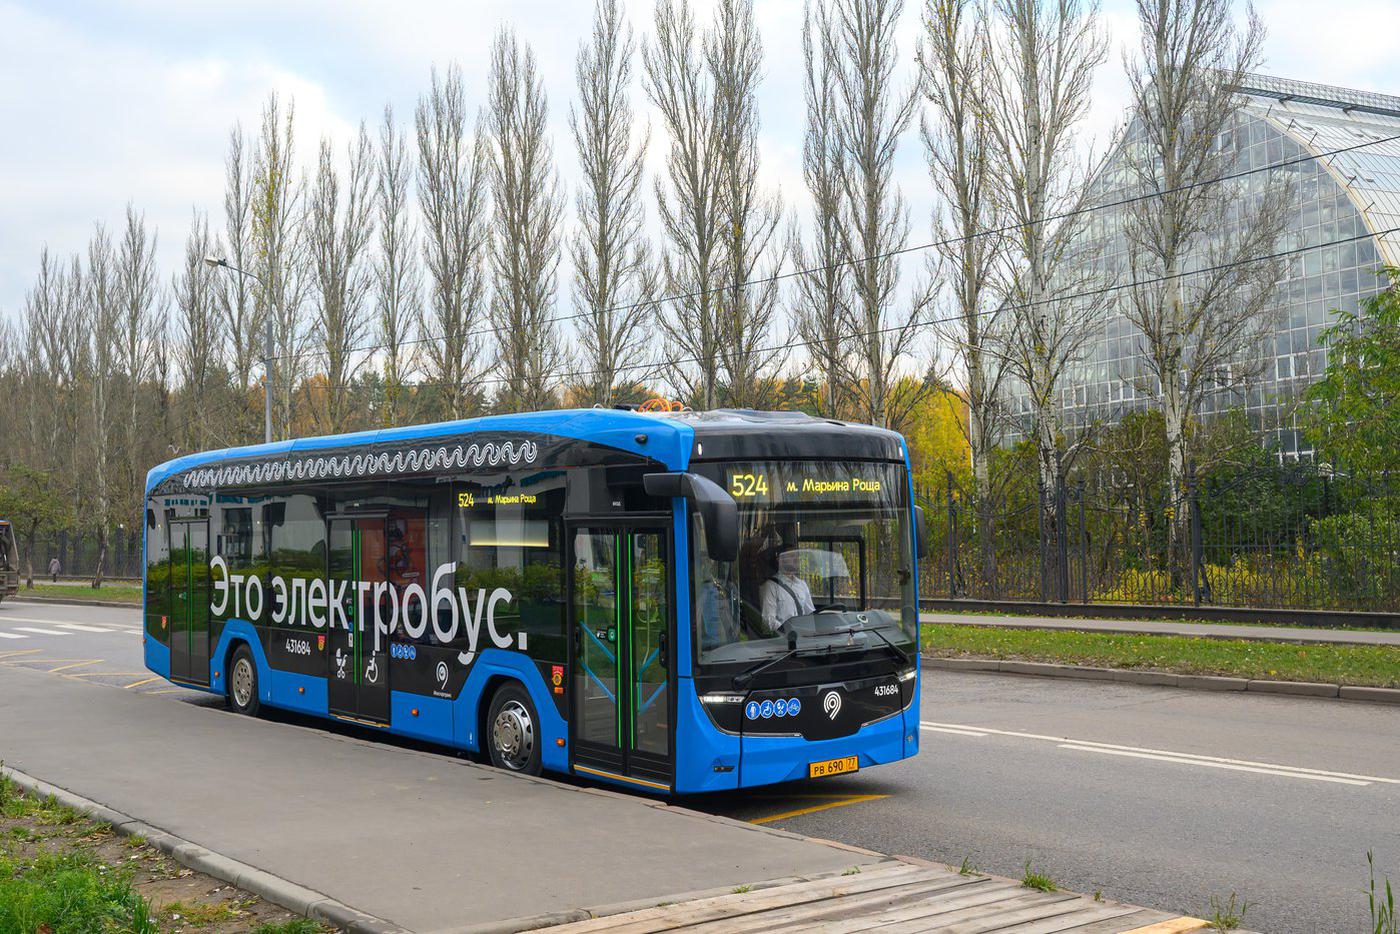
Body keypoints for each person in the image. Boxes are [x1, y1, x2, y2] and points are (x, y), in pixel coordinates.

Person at [759, 548, 814, 635]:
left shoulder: (802, 585)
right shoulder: (770, 586)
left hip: (803, 640)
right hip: (783, 642)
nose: (796, 559)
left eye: (797, 556)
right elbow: (768, 621)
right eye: (791, 556)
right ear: (780, 560)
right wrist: (789, 631)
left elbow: (810, 615)